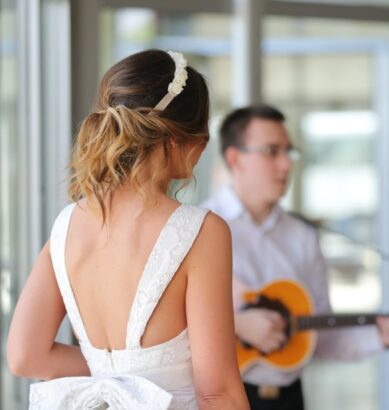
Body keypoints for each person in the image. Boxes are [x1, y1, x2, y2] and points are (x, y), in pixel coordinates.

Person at [7, 49, 249, 410]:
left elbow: (26, 355)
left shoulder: (67, 225)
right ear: (177, 138)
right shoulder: (200, 232)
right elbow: (217, 393)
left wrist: (115, 375)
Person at [202, 105, 389, 410]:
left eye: (288, 153)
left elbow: (321, 336)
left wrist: (381, 337)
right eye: (271, 151)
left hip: (290, 399)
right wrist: (236, 323)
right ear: (234, 158)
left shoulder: (303, 236)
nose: (285, 165)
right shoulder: (200, 225)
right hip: (220, 398)